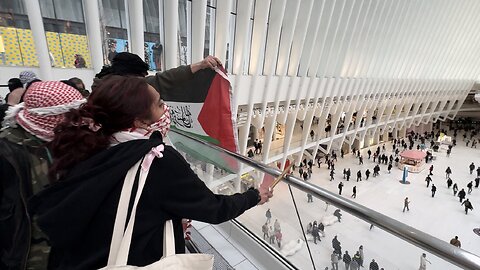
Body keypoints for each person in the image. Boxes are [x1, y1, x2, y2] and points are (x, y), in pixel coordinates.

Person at [29, 76, 273, 269]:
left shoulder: (89, 146)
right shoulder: (156, 160)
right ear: (139, 121)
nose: (166, 108)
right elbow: (215, 209)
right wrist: (255, 196)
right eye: (159, 104)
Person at [0, 81, 85, 269]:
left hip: (63, 254)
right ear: (50, 118)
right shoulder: (7, 153)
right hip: (25, 257)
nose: (77, 123)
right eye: (71, 117)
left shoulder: (61, 144)